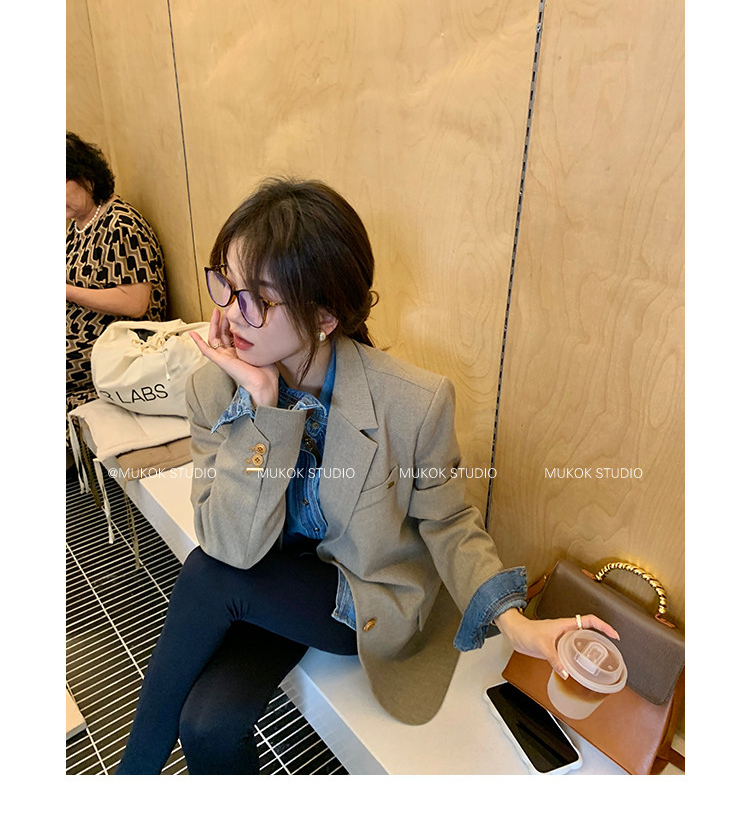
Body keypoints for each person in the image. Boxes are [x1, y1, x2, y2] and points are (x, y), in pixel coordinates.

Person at [115, 177, 617, 774]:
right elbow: (230, 544)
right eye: (226, 284)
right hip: (261, 570)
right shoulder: (214, 386)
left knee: (206, 574)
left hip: (356, 593)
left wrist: (516, 624)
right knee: (208, 724)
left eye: (256, 300)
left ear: (324, 316)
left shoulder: (413, 402)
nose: (228, 313)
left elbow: (450, 522)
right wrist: (263, 412)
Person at [66, 132, 168, 423]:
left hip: (113, 340)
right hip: (78, 332)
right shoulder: (78, 223)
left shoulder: (121, 224)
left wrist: (66, 291)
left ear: (86, 178)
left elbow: (135, 304)